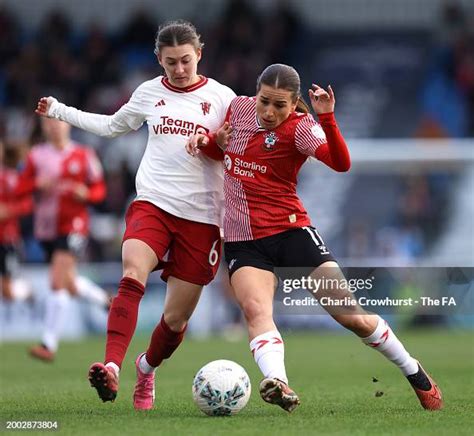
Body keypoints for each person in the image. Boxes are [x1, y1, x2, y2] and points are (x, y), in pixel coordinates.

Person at [186, 63, 443, 412]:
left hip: (292, 233)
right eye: (265, 101)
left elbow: (341, 164)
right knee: (255, 310)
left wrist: (327, 118)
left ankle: (413, 370)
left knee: (350, 316)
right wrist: (210, 143)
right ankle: (279, 383)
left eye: (280, 105)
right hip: (244, 239)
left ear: (294, 104)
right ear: (255, 94)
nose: (270, 111)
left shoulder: (302, 128)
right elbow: (224, 154)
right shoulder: (237, 109)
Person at [35, 20, 236, 409]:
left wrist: (212, 142)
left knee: (175, 321)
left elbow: (239, 146)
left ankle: (146, 369)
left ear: (200, 54)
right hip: (153, 203)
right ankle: (111, 366)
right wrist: (61, 110)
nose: (179, 70)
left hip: (203, 217)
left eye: (186, 61)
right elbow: (111, 127)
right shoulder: (148, 93)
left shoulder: (223, 97)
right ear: (158, 60)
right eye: (171, 62)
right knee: (132, 274)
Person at [15, 117, 111, 362]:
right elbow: (20, 189)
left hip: (74, 225)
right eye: (49, 123)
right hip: (46, 227)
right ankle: (105, 301)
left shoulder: (84, 154)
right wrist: (37, 183)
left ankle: (48, 343)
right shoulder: (36, 156)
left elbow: (100, 190)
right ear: (44, 128)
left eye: (58, 121)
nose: (54, 126)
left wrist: (86, 193)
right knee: (67, 282)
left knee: (57, 280)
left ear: (67, 124)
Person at [0, 142, 33, 302]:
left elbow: (27, 204)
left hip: (7, 239)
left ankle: (27, 293)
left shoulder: (11, 178)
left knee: (8, 291)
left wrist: (8, 211)